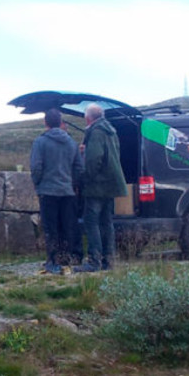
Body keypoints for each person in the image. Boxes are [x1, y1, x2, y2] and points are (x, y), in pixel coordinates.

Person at [30, 108, 83, 274]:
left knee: (50, 228)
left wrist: (38, 184)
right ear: (61, 123)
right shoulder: (71, 143)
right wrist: (73, 184)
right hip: (67, 191)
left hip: (47, 190)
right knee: (69, 225)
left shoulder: (40, 142)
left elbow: (36, 167)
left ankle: (53, 260)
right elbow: (79, 168)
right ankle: (71, 257)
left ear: (45, 122)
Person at [75, 104, 127, 272]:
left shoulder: (96, 132)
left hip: (97, 185)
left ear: (88, 118)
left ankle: (94, 261)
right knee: (106, 222)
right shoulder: (110, 131)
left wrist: (84, 178)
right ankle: (109, 260)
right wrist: (87, 150)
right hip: (110, 185)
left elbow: (94, 160)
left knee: (91, 222)